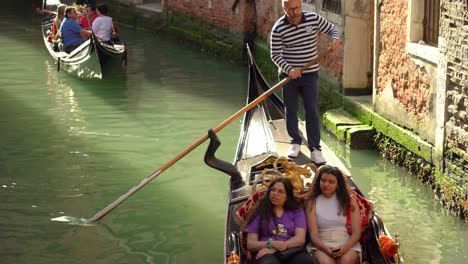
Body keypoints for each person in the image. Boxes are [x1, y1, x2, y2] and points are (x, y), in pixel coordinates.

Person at [270, 0, 340, 164]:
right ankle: (295, 141)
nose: (295, 12)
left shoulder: (313, 19)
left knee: (311, 111)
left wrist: (335, 40)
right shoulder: (278, 28)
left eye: (297, 8)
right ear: (284, 9)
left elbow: (332, 29)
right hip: (289, 77)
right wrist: (289, 69)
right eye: (291, 10)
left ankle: (315, 148)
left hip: (309, 75)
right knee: (291, 110)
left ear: (300, 6)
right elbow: (275, 55)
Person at [245, 178, 314, 264]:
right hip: (265, 251)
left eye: (280, 192)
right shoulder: (260, 211)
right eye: (273, 190)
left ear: (287, 197)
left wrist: (276, 248)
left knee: (305, 261)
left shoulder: (297, 211)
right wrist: (271, 244)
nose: (275, 194)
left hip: (291, 249)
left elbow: (300, 239)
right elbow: (251, 244)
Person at [305, 165, 361, 264]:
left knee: (345, 261)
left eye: (331, 182)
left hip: (346, 243)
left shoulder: (349, 201)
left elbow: (356, 233)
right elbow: (314, 236)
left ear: (338, 184)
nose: (326, 184)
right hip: (321, 245)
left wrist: (344, 247)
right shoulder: (312, 202)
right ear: (319, 182)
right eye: (323, 180)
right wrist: (325, 248)